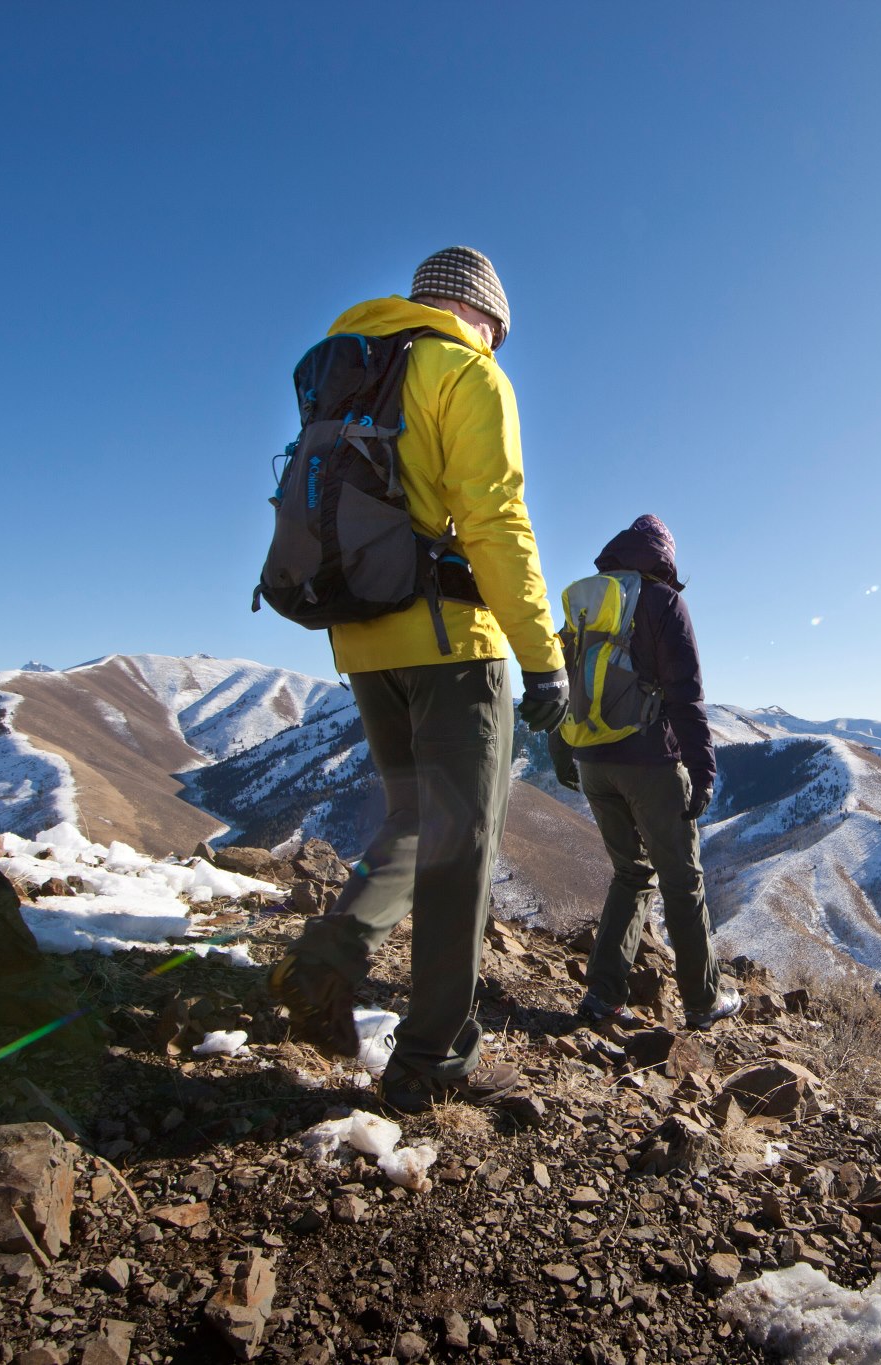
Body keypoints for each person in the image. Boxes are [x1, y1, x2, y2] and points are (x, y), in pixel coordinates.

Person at [270, 246, 569, 1111]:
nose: (497, 348)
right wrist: (540, 654)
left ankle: (324, 964)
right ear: (481, 315)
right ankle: (433, 1059)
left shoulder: (351, 366)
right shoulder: (462, 370)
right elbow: (495, 519)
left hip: (362, 641)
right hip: (450, 646)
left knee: (413, 822)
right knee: (462, 853)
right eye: (497, 334)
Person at [549, 516, 741, 1032]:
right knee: (683, 881)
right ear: (664, 555)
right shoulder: (662, 601)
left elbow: (559, 679)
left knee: (631, 874)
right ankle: (702, 1001)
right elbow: (685, 693)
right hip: (651, 762)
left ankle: (602, 996)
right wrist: (702, 768)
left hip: (592, 761)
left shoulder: (585, 600)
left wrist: (562, 750)